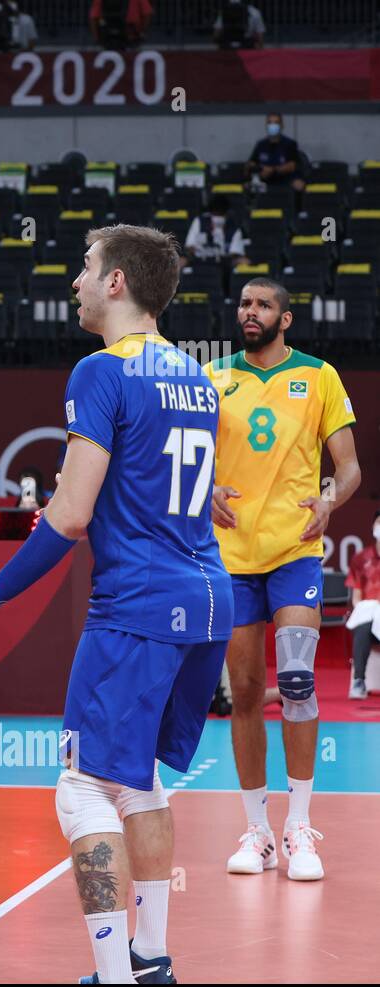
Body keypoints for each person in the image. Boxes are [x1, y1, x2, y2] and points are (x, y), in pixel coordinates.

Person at [0, 224, 233, 986]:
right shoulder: (197, 379)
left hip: (138, 604)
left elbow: (69, 513)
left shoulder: (101, 372)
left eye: (86, 267)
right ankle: (151, 961)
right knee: (141, 782)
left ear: (118, 283)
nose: (76, 282)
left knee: (81, 784)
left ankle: (114, 977)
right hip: (209, 599)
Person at [205, 277, 360, 881]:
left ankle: (300, 827)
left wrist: (327, 500)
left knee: (296, 680)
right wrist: (205, 489)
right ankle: (257, 830)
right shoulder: (215, 377)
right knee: (245, 693)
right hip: (232, 557)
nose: (251, 312)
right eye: (244, 303)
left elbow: (348, 469)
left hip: (295, 551)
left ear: (285, 318)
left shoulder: (320, 376)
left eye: (263, 305)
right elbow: (190, 456)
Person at [345, 511, 380, 699]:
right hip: (368, 614)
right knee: (363, 627)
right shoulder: (361, 558)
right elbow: (356, 597)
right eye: (379, 523)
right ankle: (359, 681)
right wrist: (368, 608)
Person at [182, 194, 249, 270]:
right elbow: (189, 246)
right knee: (180, 261)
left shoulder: (234, 229)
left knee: (244, 262)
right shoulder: (199, 222)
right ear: (210, 213)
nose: (217, 218)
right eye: (215, 214)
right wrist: (201, 250)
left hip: (224, 263)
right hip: (200, 260)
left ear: (226, 214)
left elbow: (235, 253)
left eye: (221, 214)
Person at [246, 113, 305, 192]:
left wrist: (273, 170)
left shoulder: (290, 144)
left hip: (285, 178)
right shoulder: (260, 144)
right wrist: (260, 169)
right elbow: (251, 163)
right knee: (247, 185)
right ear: (266, 125)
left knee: (299, 184)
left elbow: (293, 165)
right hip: (264, 179)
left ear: (282, 125)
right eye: (270, 123)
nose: (272, 126)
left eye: (276, 123)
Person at [89, 0, 153, 48]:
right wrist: (142, 32)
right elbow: (148, 14)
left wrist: (97, 38)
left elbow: (93, 18)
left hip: (106, 37)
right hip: (131, 36)